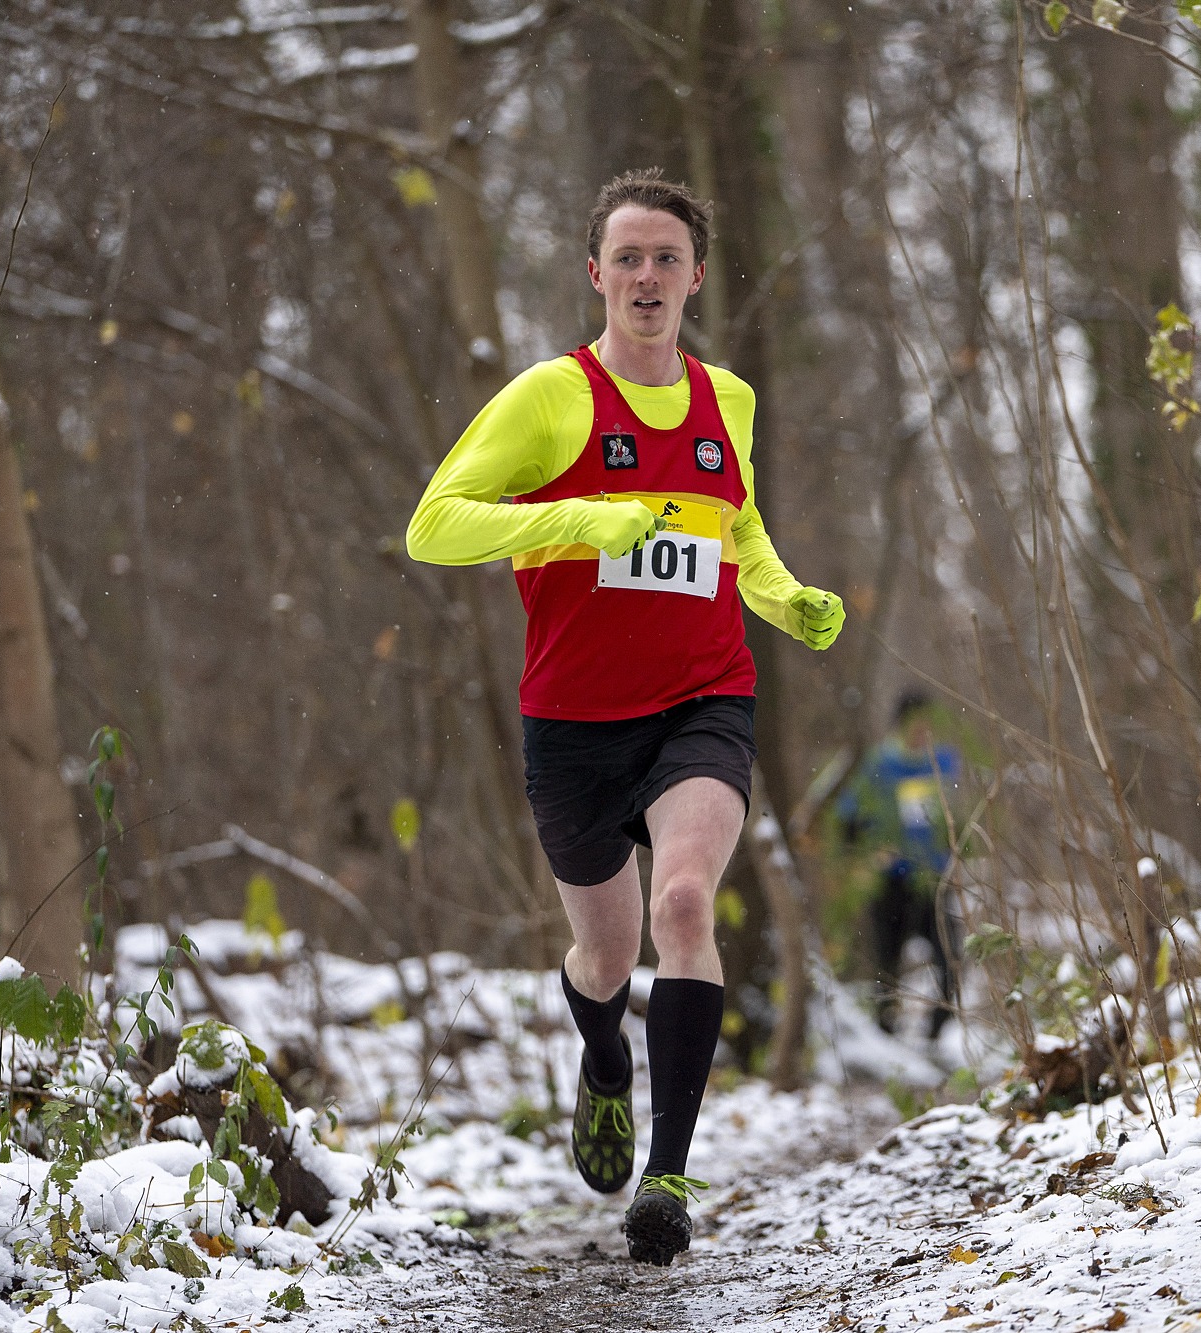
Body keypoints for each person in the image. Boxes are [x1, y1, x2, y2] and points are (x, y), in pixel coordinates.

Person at [404, 169, 844, 1266]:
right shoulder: (549, 398)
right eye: (629, 258)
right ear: (595, 273)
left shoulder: (727, 400)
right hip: (574, 721)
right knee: (604, 955)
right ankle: (604, 1057)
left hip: (704, 697)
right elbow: (434, 525)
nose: (648, 276)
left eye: (667, 258)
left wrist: (782, 595)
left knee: (684, 904)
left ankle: (667, 1178)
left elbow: (734, 530)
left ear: (696, 276)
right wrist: (576, 521)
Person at [836, 692, 963, 1040]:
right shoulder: (880, 764)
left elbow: (961, 814)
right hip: (890, 879)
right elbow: (849, 815)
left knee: (949, 954)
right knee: (888, 958)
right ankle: (885, 1030)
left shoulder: (943, 762)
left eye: (927, 725)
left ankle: (939, 1030)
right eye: (915, 725)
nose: (922, 732)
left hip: (934, 877)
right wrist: (867, 853)